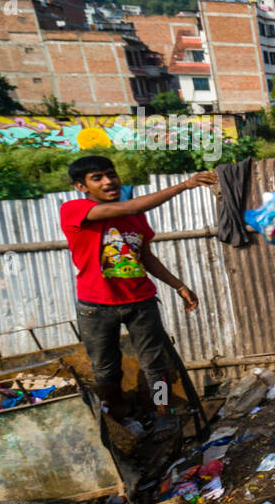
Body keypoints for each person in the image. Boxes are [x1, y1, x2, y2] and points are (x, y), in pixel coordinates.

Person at [59, 155, 216, 431]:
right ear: (81, 186)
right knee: (106, 369)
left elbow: (146, 257)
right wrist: (184, 185)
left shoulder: (135, 216)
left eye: (111, 174)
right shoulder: (74, 210)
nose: (108, 182)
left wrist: (178, 285)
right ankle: (118, 415)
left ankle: (163, 412)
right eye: (97, 178)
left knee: (156, 364)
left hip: (141, 301)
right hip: (96, 306)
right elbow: (126, 207)